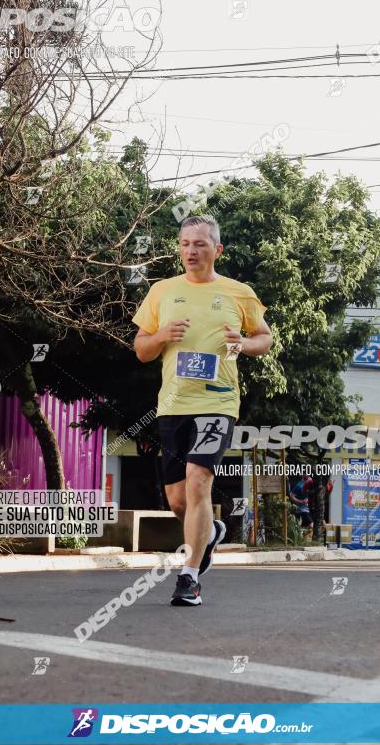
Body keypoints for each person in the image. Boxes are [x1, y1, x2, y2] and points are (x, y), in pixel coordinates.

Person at [133, 215, 273, 606]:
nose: (191, 251)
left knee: (199, 480)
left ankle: (189, 577)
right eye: (184, 244)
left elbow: (265, 338)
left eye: (199, 244)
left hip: (217, 402)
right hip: (173, 405)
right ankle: (209, 533)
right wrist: (161, 335)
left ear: (217, 250)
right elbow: (141, 350)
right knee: (178, 501)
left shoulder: (238, 292)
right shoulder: (162, 291)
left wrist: (242, 343)